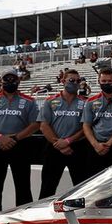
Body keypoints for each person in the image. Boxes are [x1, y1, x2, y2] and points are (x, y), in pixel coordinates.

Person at [0, 69, 39, 214]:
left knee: (23, 184)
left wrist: (16, 138)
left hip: (20, 144)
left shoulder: (29, 101)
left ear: (18, 81)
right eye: (6, 79)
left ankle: (24, 216)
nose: (10, 82)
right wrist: (0, 137)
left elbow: (35, 124)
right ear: (1, 81)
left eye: (13, 79)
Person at [38, 69, 90, 198]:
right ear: (63, 81)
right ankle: (43, 215)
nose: (75, 83)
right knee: (47, 188)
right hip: (54, 147)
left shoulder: (85, 103)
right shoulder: (50, 101)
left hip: (77, 148)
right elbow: (44, 125)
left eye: (78, 81)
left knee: (81, 188)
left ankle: (80, 217)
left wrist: (68, 141)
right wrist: (58, 143)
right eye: (71, 80)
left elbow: (87, 127)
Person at [81, 67, 112, 175]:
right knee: (92, 183)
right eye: (103, 81)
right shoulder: (90, 101)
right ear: (99, 81)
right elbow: (86, 125)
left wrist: (108, 144)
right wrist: (95, 145)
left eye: (110, 81)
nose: (107, 83)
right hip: (95, 147)